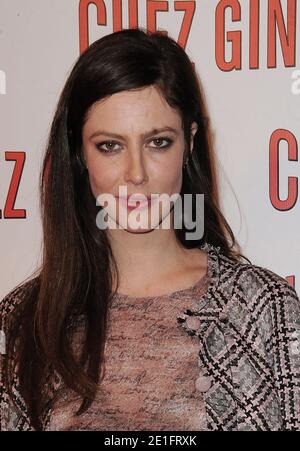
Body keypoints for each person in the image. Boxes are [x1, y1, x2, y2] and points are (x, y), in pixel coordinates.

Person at [1, 28, 299, 432]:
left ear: (189, 143)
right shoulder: (23, 325)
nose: (136, 174)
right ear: (79, 154)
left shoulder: (267, 311)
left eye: (158, 142)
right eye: (110, 145)